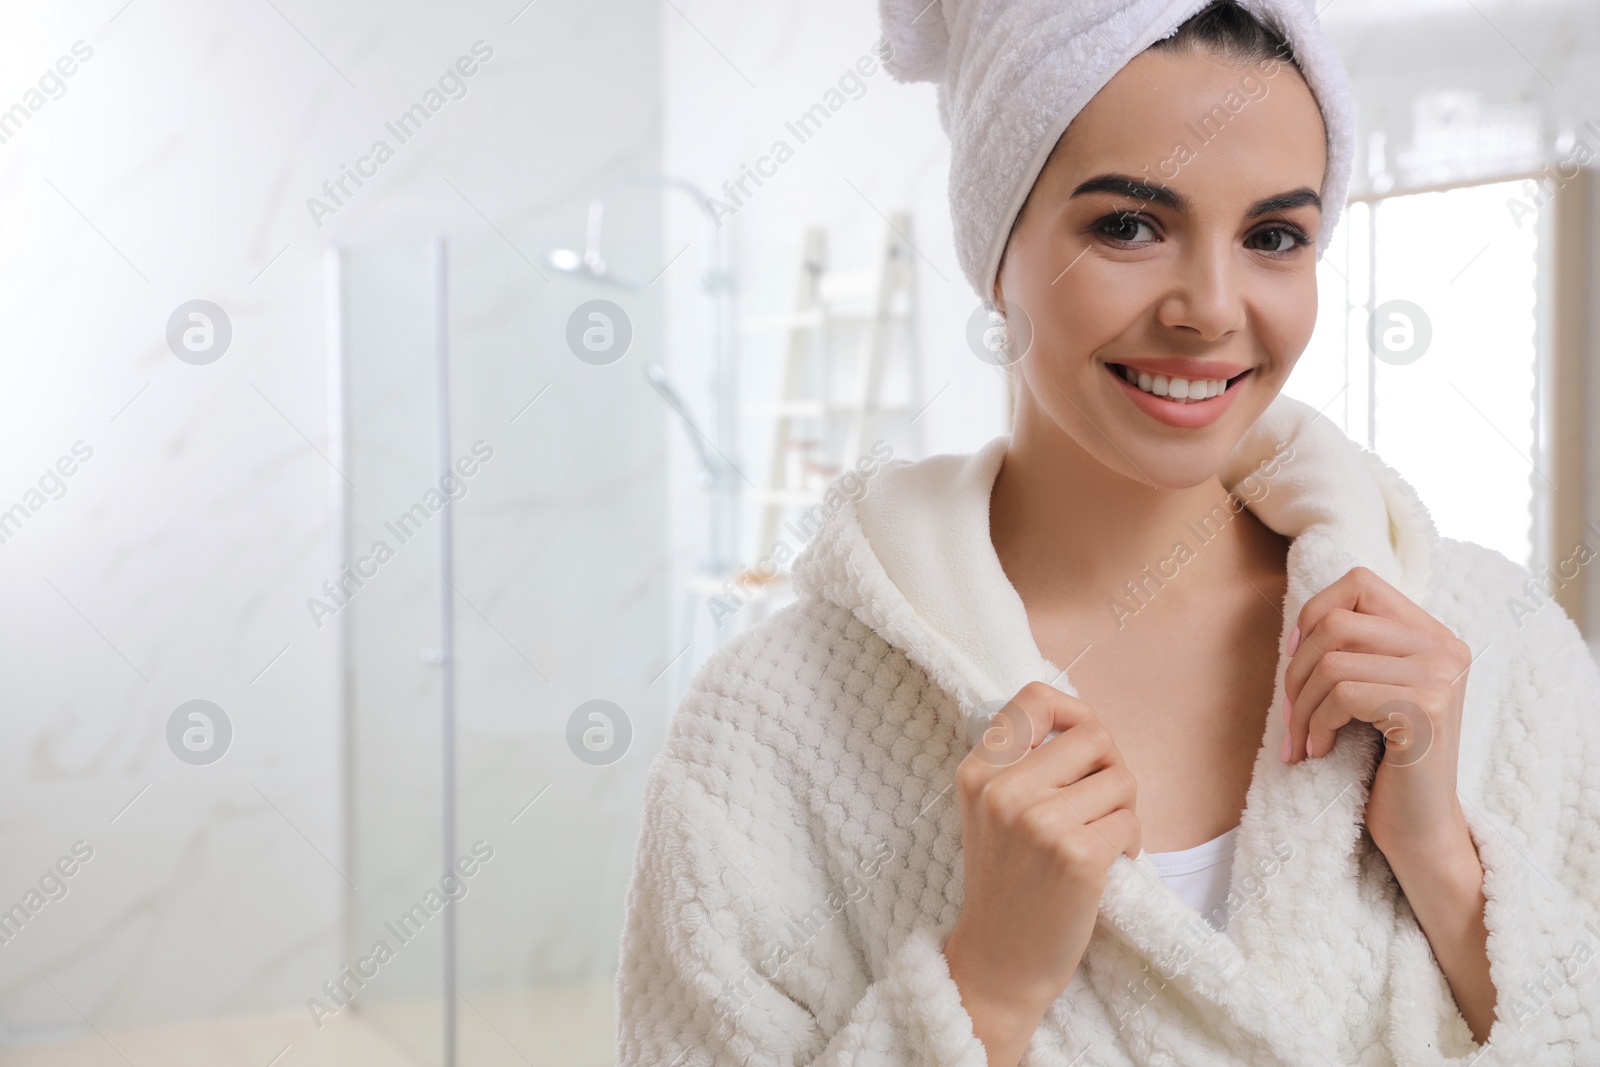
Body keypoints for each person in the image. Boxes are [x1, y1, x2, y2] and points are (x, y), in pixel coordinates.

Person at [615, 1, 1600, 1064]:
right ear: (996, 252)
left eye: (1273, 236)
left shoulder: (1491, 649)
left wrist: (1444, 861)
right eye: (1129, 225)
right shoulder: (768, 733)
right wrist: (983, 987)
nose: (1211, 309)